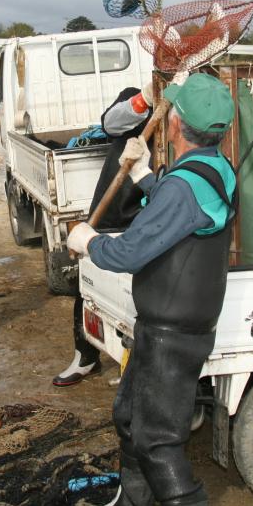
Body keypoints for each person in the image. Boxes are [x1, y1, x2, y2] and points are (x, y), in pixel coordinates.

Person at [67, 73, 237, 506]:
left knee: (158, 439)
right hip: (164, 324)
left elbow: (133, 249)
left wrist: (88, 242)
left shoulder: (187, 184)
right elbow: (174, 207)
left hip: (172, 330)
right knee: (129, 417)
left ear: (177, 123)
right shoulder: (210, 169)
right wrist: (143, 176)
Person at [53, 86, 152, 387]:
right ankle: (85, 357)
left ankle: (134, 367)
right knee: (88, 284)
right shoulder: (138, 98)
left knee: (137, 297)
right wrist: (144, 100)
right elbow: (110, 123)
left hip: (149, 214)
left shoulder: (187, 111)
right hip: (111, 208)